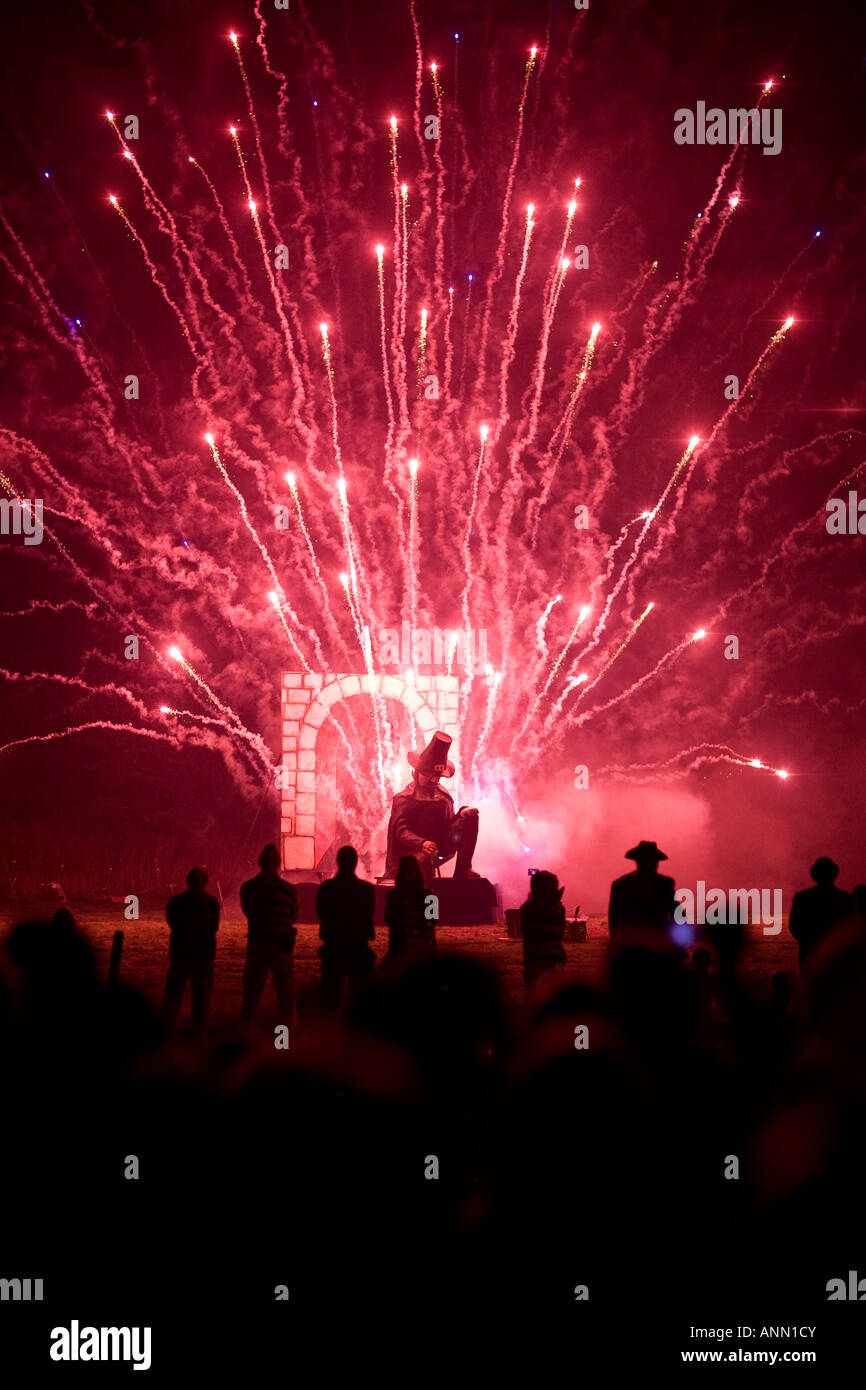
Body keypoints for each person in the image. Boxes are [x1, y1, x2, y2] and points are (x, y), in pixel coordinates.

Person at [384, 731, 479, 885]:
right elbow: (401, 831)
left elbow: (450, 825)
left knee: (470, 818)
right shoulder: (403, 798)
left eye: (437, 776)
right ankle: (424, 901)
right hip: (412, 853)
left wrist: (464, 814)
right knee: (423, 861)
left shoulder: (443, 797)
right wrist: (421, 843)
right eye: (429, 775)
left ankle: (463, 869)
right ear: (417, 772)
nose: (434, 779)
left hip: (439, 846)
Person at [240, 843, 299, 1026]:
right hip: (281, 945)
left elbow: (248, 911)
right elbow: (293, 915)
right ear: (278, 864)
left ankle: (246, 1036)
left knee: (252, 993)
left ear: (260, 862)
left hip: (258, 943)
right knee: (285, 995)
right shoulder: (289, 890)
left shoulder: (249, 888)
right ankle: (285, 1041)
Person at [161, 866, 220, 1038]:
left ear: (188, 881)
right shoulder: (211, 903)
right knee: (201, 1000)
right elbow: (213, 927)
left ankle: (167, 1033)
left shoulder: (176, 902)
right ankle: (199, 1036)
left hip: (181, 954)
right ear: (205, 882)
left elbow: (172, 923)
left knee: (173, 997)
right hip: (203, 956)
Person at [316, 845, 376, 1010]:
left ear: (338, 862)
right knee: (361, 1000)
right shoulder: (367, 890)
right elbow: (369, 912)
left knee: (330, 997)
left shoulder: (326, 888)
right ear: (356, 862)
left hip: (333, 947)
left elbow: (321, 912)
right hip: (359, 947)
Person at [788, 857, 854, 966]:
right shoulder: (847, 899)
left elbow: (794, 926)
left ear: (815, 875)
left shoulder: (803, 898)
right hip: (838, 959)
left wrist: (809, 943)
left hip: (810, 957)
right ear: (834, 874)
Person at [608, 840, 677, 937]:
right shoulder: (665, 884)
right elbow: (677, 913)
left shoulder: (620, 885)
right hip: (653, 943)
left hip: (634, 943)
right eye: (647, 860)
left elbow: (614, 922)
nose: (649, 864)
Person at [383, 854, 436, 970]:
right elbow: (432, 924)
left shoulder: (393, 896)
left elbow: (390, 921)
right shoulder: (431, 897)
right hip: (425, 953)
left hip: (401, 953)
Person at [520, 870, 567, 991]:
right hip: (552, 959)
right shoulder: (557, 908)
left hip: (533, 959)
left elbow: (525, 930)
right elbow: (559, 931)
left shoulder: (527, 907)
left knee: (533, 994)